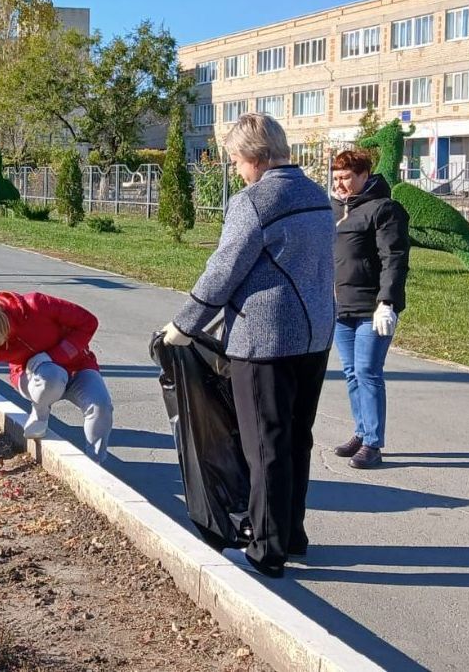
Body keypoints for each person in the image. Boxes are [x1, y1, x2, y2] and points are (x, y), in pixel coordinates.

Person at [160, 113, 335, 578]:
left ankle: (266, 550)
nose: (236, 169)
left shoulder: (254, 201)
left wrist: (185, 324)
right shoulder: (318, 196)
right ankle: (291, 534)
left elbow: (224, 270)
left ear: (255, 158)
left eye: (236, 160)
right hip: (315, 336)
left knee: (264, 446)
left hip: (266, 340)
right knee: (296, 438)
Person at [0, 293, 113, 471]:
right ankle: (40, 412)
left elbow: (88, 322)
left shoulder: (36, 305)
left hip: (78, 366)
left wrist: (53, 356)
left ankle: (94, 464)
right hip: (34, 378)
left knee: (100, 406)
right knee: (51, 375)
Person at [330, 149, 410, 470]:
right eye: (336, 178)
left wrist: (387, 302)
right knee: (351, 373)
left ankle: (373, 444)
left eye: (347, 177)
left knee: (367, 372)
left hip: (372, 307)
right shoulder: (335, 209)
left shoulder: (384, 209)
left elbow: (394, 258)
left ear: (364, 175)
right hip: (340, 306)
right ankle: (361, 432)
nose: (340, 184)